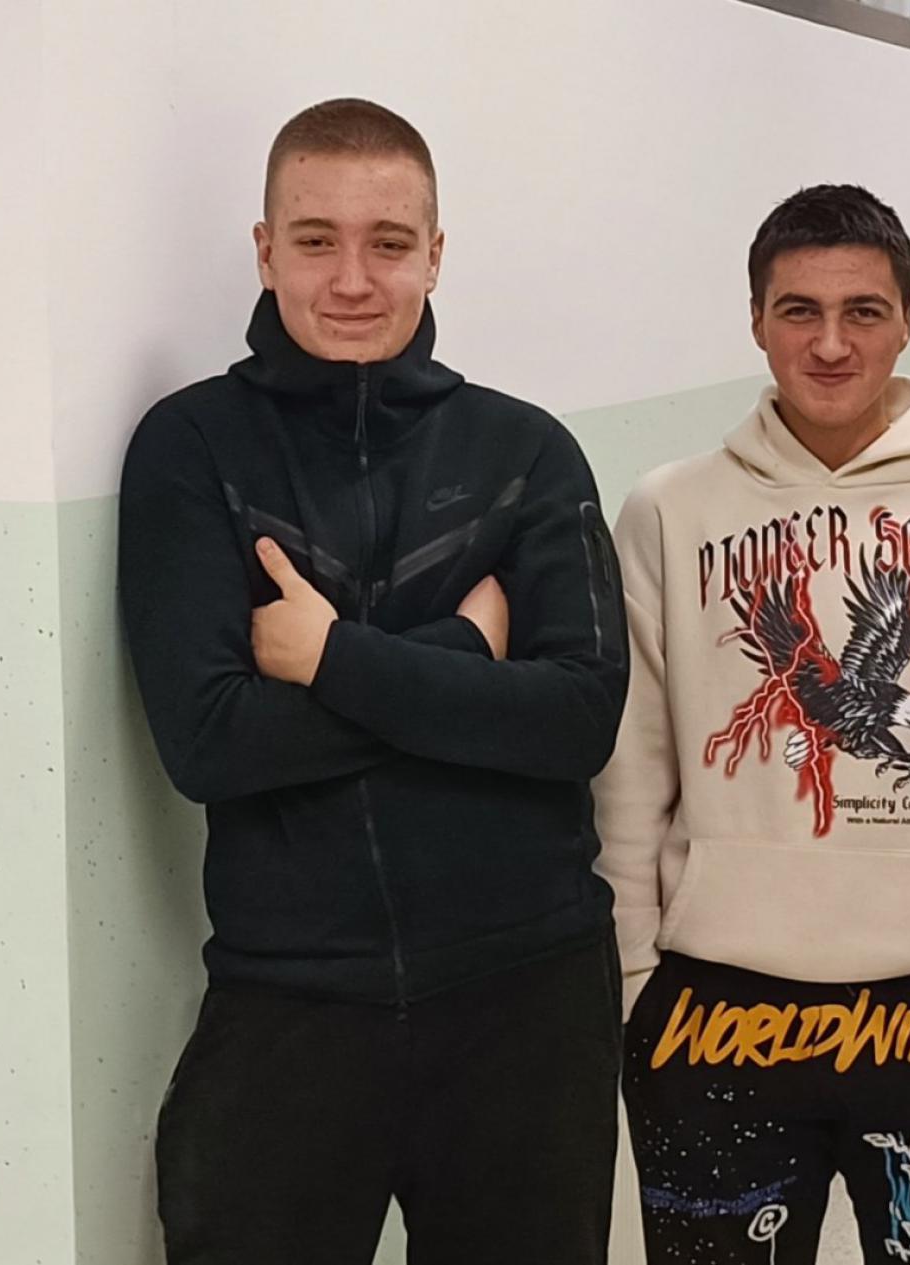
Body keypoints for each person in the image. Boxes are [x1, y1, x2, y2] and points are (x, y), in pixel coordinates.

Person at [119, 99, 629, 1264]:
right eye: (316, 240)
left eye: (388, 243)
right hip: (289, 999)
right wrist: (461, 651)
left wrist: (330, 657)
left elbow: (576, 716)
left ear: (434, 254)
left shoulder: (526, 452)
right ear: (265, 250)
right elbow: (211, 739)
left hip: (528, 994)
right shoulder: (191, 448)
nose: (352, 279)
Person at [594, 184, 910, 1264]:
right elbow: (630, 767)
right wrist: (633, 984)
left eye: (862, 311)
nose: (829, 343)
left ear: (906, 322)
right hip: (713, 1013)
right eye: (798, 310)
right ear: (756, 322)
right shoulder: (669, 509)